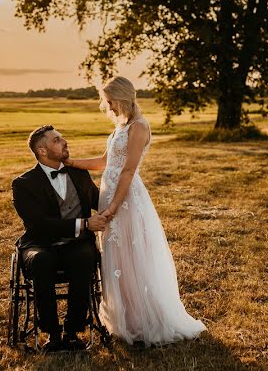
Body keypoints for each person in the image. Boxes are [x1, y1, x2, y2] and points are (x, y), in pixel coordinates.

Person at [65, 76, 206, 346]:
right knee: (115, 257)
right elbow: (104, 163)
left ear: (120, 98)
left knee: (132, 255)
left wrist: (115, 205)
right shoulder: (120, 126)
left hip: (126, 198)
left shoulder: (139, 127)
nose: (106, 105)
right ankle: (125, 319)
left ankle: (143, 320)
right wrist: (70, 162)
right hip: (110, 196)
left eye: (108, 100)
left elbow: (128, 170)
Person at [11, 125, 110, 352]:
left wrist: (125, 197)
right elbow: (39, 225)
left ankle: (73, 332)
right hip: (39, 244)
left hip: (77, 244)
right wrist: (84, 224)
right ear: (43, 151)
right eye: (57, 140)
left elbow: (99, 203)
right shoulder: (23, 184)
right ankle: (52, 334)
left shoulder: (79, 173)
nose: (64, 142)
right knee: (41, 261)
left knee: (85, 257)